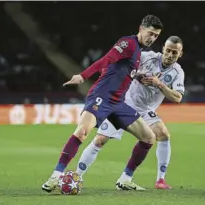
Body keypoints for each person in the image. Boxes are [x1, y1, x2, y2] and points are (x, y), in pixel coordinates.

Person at [42, 15, 163, 192]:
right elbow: (107, 59)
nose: (152, 38)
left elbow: (119, 69)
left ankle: (125, 179)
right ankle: (56, 175)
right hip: (102, 97)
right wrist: (83, 76)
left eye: (156, 36)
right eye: (150, 33)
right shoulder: (128, 43)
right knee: (82, 132)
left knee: (149, 137)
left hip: (118, 104)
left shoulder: (138, 51)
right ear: (141, 28)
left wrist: (137, 76)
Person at [75, 36, 185, 190]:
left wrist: (159, 84)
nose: (170, 55)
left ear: (180, 54)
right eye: (168, 50)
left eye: (175, 52)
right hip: (124, 102)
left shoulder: (177, 72)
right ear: (163, 49)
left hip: (146, 109)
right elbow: (125, 67)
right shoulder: (147, 57)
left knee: (163, 134)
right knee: (100, 139)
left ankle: (151, 179)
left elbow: (177, 97)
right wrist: (138, 76)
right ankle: (76, 176)